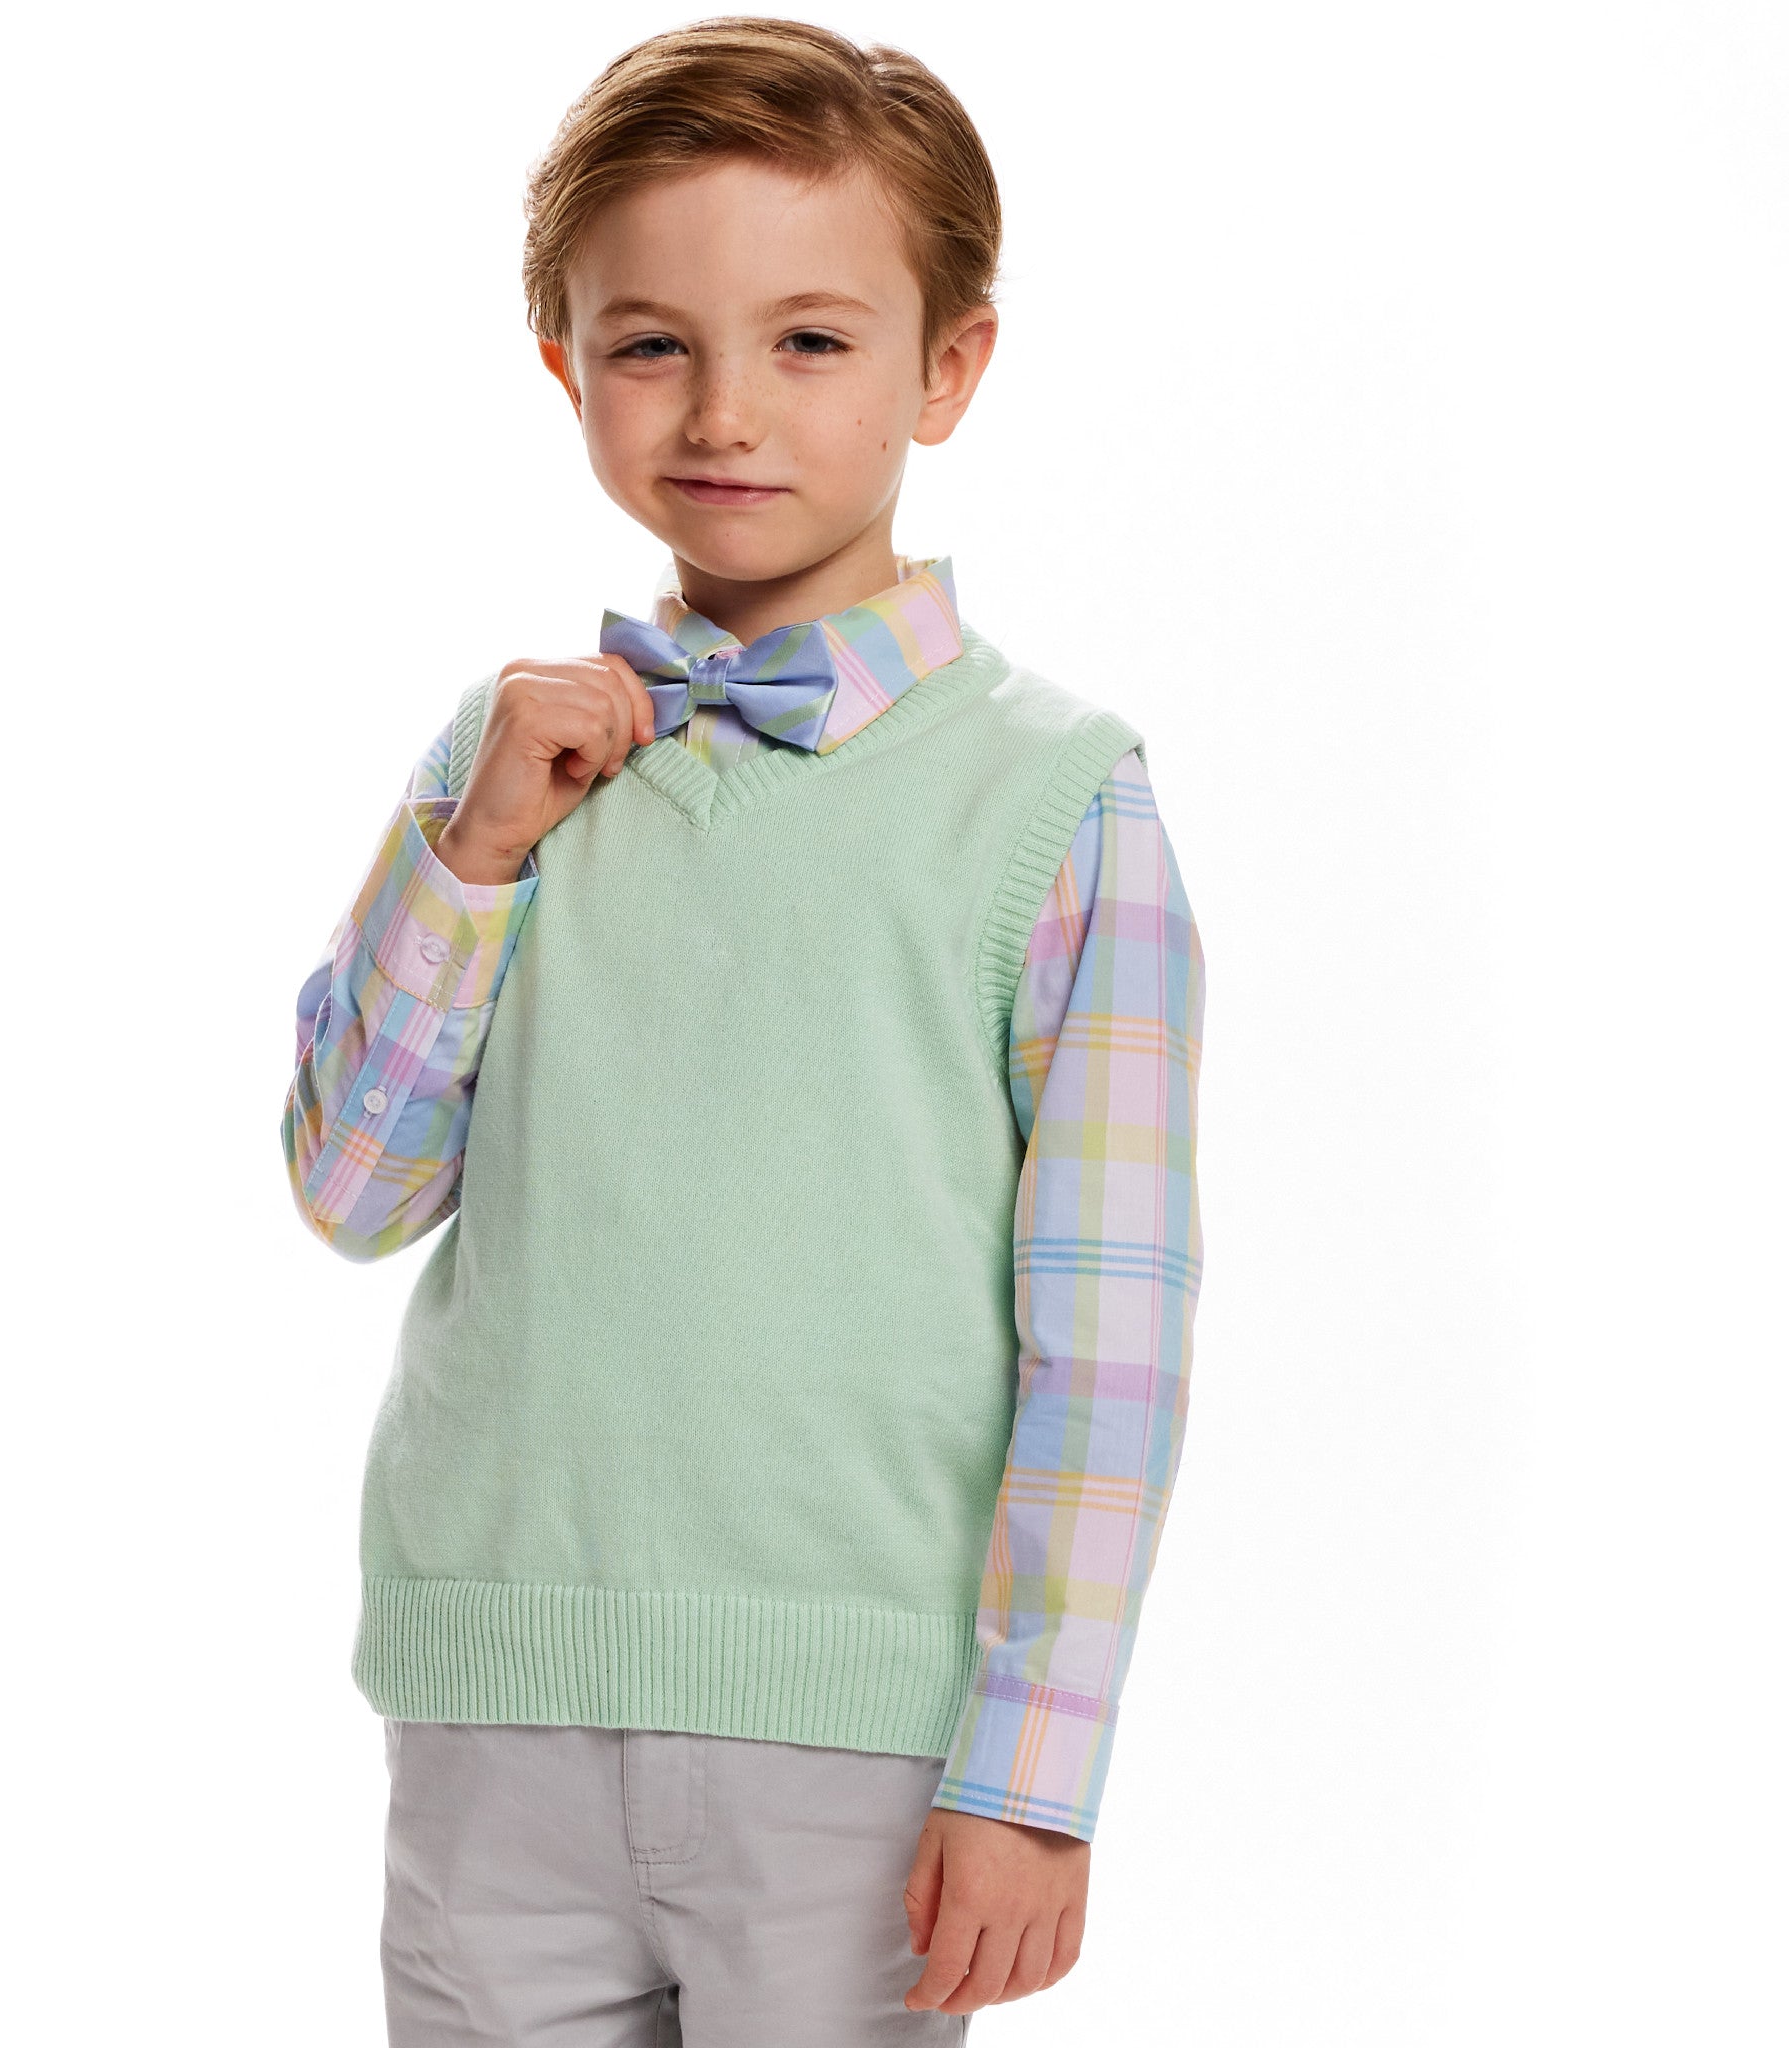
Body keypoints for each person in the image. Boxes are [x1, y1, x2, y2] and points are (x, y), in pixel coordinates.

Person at [281, 17, 1207, 2044]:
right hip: (493, 1697)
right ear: (564, 363)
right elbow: (350, 1189)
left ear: (945, 366)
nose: (723, 411)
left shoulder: (1055, 802)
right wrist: (474, 851)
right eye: (651, 344)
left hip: (856, 1743)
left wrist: (1033, 1776)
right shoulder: (506, 759)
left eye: (808, 341)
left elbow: (1110, 1337)